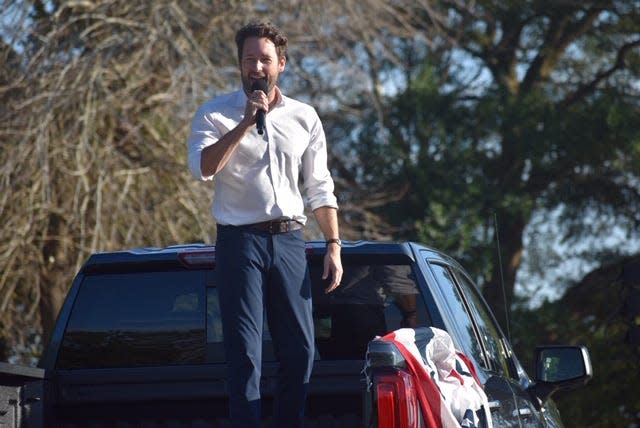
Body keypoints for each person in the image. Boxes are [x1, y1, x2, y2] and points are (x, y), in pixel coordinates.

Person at [187, 21, 343, 428]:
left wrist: (333, 244)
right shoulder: (214, 113)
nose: (257, 67)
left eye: (265, 59)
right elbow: (203, 168)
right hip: (240, 242)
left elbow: (319, 185)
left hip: (290, 240)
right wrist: (243, 123)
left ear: (282, 64)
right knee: (245, 354)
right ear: (239, 65)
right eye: (249, 59)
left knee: (301, 351)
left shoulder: (304, 117)